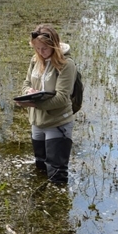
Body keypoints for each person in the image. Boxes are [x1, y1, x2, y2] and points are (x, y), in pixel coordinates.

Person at [15, 24, 77, 183]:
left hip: (58, 123)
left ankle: (59, 204)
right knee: (40, 166)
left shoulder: (66, 65)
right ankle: (41, 200)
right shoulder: (36, 59)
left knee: (57, 174)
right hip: (37, 122)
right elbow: (26, 82)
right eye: (37, 48)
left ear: (54, 45)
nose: (40, 52)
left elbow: (63, 98)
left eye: (44, 48)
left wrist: (34, 104)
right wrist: (28, 92)